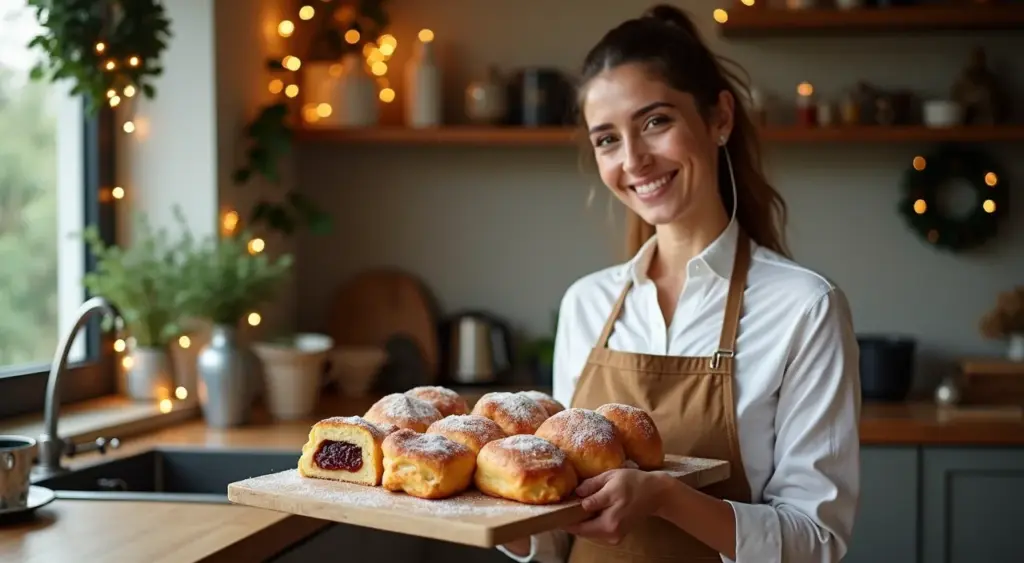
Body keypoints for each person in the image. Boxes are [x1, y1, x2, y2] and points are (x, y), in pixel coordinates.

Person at [497, 5, 861, 563]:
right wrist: (474, 507)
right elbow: (557, 535)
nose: (634, 160)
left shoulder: (804, 308)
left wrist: (667, 497)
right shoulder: (587, 304)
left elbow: (817, 543)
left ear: (719, 118)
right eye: (607, 140)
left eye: (655, 122)